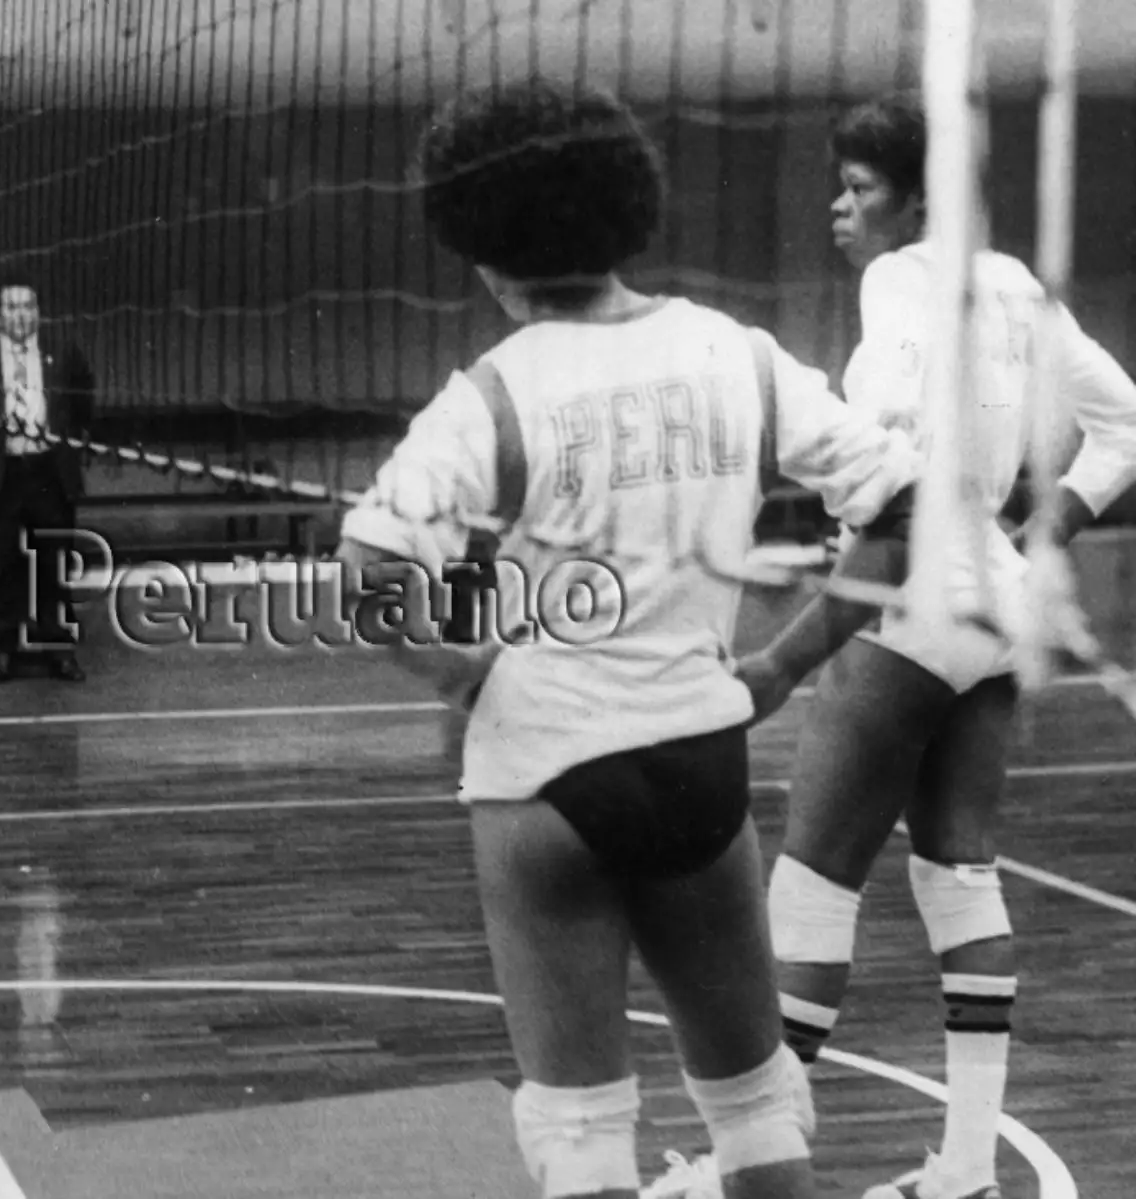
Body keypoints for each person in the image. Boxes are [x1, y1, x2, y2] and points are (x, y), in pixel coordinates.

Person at [333, 79, 923, 1199]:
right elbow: (909, 507)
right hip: (701, 761)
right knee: (758, 1117)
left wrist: (466, 673)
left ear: (482, 248)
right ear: (626, 207)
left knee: (582, 1142)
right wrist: (785, 664)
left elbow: (366, 579)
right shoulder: (735, 353)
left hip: (545, 775)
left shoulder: (494, 394)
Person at [736, 93, 1136, 1199]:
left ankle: (751, 1157)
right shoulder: (1014, 283)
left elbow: (900, 491)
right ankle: (964, 1168)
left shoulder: (899, 283)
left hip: (910, 606)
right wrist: (1048, 524)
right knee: (959, 874)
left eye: (857, 188)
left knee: (813, 883)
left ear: (915, 201)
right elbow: (1129, 422)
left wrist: (787, 656)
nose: (839, 208)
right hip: (996, 616)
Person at [0, 274, 93, 683]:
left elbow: (83, 400)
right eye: (11, 307)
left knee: (54, 566)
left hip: (49, 472)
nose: (20, 314)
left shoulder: (63, 351)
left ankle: (59, 652)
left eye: (28, 306)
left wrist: (65, 446)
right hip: (1, 474)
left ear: (38, 313)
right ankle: (2, 652)